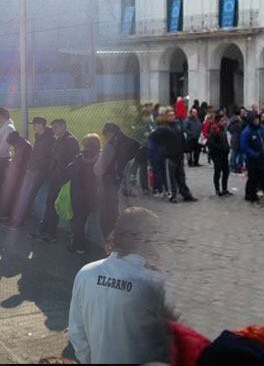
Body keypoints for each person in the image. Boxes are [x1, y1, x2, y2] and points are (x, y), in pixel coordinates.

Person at [68, 207, 170, 364]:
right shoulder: (154, 281)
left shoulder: (85, 273)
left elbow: (76, 330)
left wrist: (89, 360)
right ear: (143, 238)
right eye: (156, 234)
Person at [29, 119, 79, 242]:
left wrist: (61, 174)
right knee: (49, 204)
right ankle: (44, 230)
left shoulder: (70, 141)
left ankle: (51, 234)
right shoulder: (58, 139)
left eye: (56, 126)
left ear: (63, 126)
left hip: (63, 178)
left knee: (53, 205)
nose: (53, 129)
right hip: (55, 176)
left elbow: (68, 160)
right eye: (53, 126)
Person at [95, 122, 143, 237]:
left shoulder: (110, 146)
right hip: (132, 184)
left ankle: (111, 245)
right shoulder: (135, 143)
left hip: (113, 185)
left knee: (108, 217)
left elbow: (98, 169)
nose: (105, 138)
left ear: (110, 133)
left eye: (105, 135)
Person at [12, 117, 54, 226]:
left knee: (30, 193)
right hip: (33, 167)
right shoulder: (38, 136)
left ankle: (20, 220)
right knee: (24, 192)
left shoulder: (50, 138)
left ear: (40, 124)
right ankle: (19, 216)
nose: (33, 127)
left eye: (35, 124)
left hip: (41, 169)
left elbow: (46, 156)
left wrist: (35, 165)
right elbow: (36, 153)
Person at [150, 108, 197, 204]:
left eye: (173, 115)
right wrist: (162, 150)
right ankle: (172, 195)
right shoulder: (163, 128)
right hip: (169, 156)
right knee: (170, 177)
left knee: (181, 176)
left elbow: (182, 139)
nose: (173, 116)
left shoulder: (178, 125)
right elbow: (153, 138)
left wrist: (186, 151)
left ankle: (186, 194)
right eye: (170, 115)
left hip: (179, 155)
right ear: (166, 117)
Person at [67, 134, 102, 255]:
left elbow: (70, 170)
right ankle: (78, 244)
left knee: (77, 219)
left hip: (77, 193)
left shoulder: (79, 158)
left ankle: (77, 244)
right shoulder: (100, 158)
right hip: (91, 195)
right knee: (82, 219)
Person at [0, 131, 33, 228]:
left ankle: (14, 218)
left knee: (16, 195)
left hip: (22, 174)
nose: (12, 146)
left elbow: (19, 163)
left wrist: (11, 166)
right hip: (20, 173)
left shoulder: (23, 146)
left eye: (12, 144)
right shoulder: (20, 144)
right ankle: (9, 215)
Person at [240, 112, 264, 204]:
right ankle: (250, 196)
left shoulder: (263, 128)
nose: (256, 121)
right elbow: (244, 147)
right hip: (253, 161)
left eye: (257, 119)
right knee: (253, 179)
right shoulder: (246, 132)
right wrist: (254, 154)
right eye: (255, 119)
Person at [208, 114, 231, 197]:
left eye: (224, 120)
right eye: (222, 121)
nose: (224, 122)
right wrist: (222, 148)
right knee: (218, 172)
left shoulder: (223, 130)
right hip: (217, 155)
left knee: (226, 172)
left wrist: (227, 148)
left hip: (224, 154)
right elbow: (211, 144)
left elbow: (226, 141)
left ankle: (224, 189)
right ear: (218, 121)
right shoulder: (214, 130)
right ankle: (217, 189)